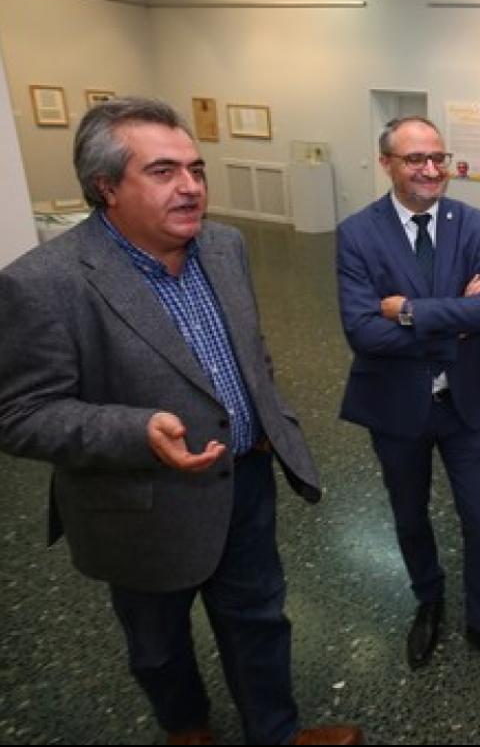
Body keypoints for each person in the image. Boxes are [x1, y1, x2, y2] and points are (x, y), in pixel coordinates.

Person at [0, 98, 361, 745]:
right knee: (158, 643)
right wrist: (135, 432)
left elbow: (249, 348)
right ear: (106, 186)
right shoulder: (45, 282)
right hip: (137, 505)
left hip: (244, 478)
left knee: (259, 622)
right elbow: (21, 413)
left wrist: (268, 414)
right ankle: (187, 732)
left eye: (196, 168)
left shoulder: (224, 244)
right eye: (164, 171)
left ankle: (275, 735)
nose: (192, 186)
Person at [336, 116, 480, 683]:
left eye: (438, 158)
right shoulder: (357, 233)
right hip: (395, 407)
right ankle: (429, 599)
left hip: (465, 403)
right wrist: (457, 322)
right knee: (409, 515)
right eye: (415, 159)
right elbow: (361, 331)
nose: (430, 169)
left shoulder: (473, 223)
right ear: (387, 165)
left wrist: (411, 311)